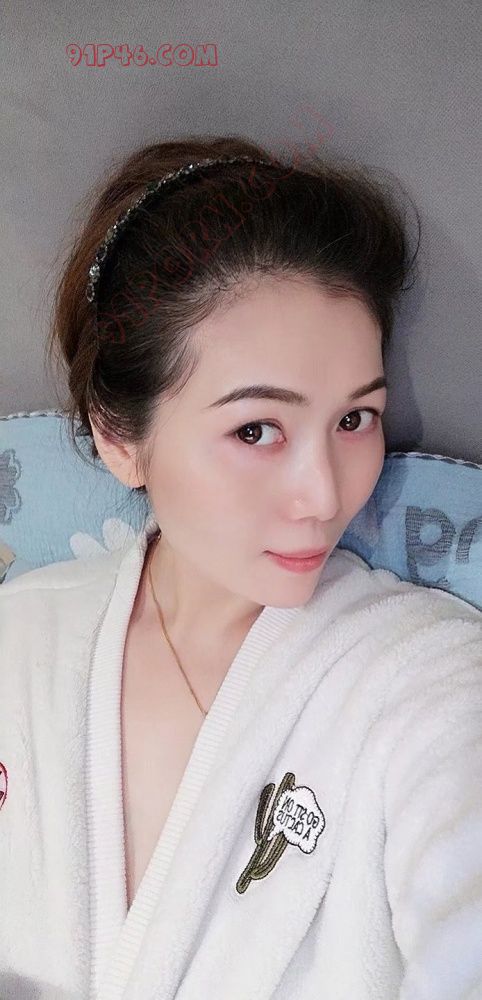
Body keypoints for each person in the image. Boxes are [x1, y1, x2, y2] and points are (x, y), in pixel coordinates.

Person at [1, 135, 481, 1000]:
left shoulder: (426, 674)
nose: (323, 494)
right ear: (118, 435)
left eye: (355, 420)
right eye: (257, 430)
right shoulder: (17, 642)